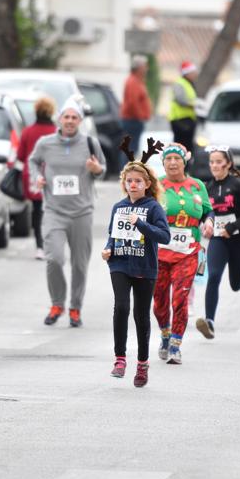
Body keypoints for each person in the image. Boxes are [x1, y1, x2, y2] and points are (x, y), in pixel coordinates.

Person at [30, 96, 107, 327]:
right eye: (67, 117)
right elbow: (33, 162)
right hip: (54, 210)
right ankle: (57, 303)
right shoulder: (45, 143)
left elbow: (103, 170)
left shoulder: (90, 143)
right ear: (59, 119)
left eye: (74, 117)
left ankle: (75, 307)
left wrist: (96, 169)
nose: (70, 121)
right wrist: (38, 178)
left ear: (80, 120)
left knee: (80, 264)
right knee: (54, 258)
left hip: (82, 212)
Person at [102, 147, 170, 388]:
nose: (133, 185)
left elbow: (164, 236)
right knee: (121, 307)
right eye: (129, 181)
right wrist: (108, 248)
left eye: (137, 181)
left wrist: (141, 224)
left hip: (144, 266)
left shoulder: (153, 208)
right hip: (119, 262)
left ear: (147, 183)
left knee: (141, 316)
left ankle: (142, 364)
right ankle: (119, 359)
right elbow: (113, 234)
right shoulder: (118, 207)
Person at [154, 143, 213, 364]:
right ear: (163, 163)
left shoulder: (197, 185)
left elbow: (208, 210)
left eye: (176, 159)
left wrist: (208, 222)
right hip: (159, 252)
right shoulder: (156, 184)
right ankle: (165, 333)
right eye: (168, 159)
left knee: (180, 298)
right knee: (159, 301)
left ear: (184, 162)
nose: (172, 163)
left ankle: (176, 344)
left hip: (188, 251)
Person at [196, 147, 240, 339]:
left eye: (218, 161)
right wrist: (204, 224)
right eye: (212, 162)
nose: (214, 165)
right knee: (213, 275)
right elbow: (205, 213)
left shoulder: (238, 185)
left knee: (235, 284)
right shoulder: (207, 188)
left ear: (228, 164)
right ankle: (209, 322)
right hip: (218, 239)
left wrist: (232, 227)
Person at [16, 96, 57, 260]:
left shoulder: (27, 132)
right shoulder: (57, 132)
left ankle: (39, 246)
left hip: (33, 176)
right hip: (54, 176)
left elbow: (20, 156)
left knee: (36, 211)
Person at [120, 55, 152, 155]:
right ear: (139, 68)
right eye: (145, 66)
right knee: (130, 149)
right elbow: (132, 103)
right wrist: (140, 116)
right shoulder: (133, 81)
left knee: (131, 149)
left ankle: (129, 169)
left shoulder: (137, 81)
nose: (147, 69)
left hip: (134, 120)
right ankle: (127, 170)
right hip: (132, 121)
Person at [169, 61, 199, 151]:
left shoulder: (189, 84)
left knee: (187, 147)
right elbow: (180, 99)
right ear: (187, 73)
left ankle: (186, 164)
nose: (195, 74)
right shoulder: (180, 83)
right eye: (193, 72)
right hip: (181, 121)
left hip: (187, 120)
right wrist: (193, 105)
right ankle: (181, 164)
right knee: (181, 147)